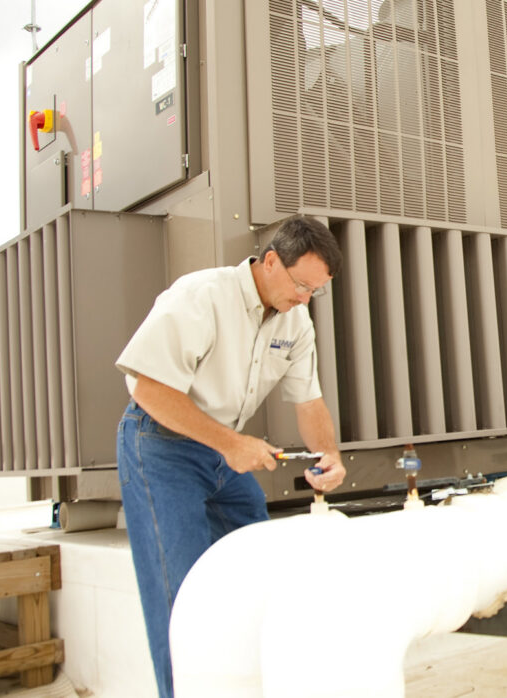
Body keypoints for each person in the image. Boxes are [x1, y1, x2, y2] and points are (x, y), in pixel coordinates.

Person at [114, 214, 345, 698]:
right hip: (159, 442)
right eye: (302, 285)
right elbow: (150, 389)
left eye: (315, 292)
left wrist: (330, 456)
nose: (305, 299)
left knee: (255, 570)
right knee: (180, 594)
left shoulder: (295, 319)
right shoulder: (200, 297)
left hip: (221, 447)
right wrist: (231, 445)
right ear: (270, 261)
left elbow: (310, 400)